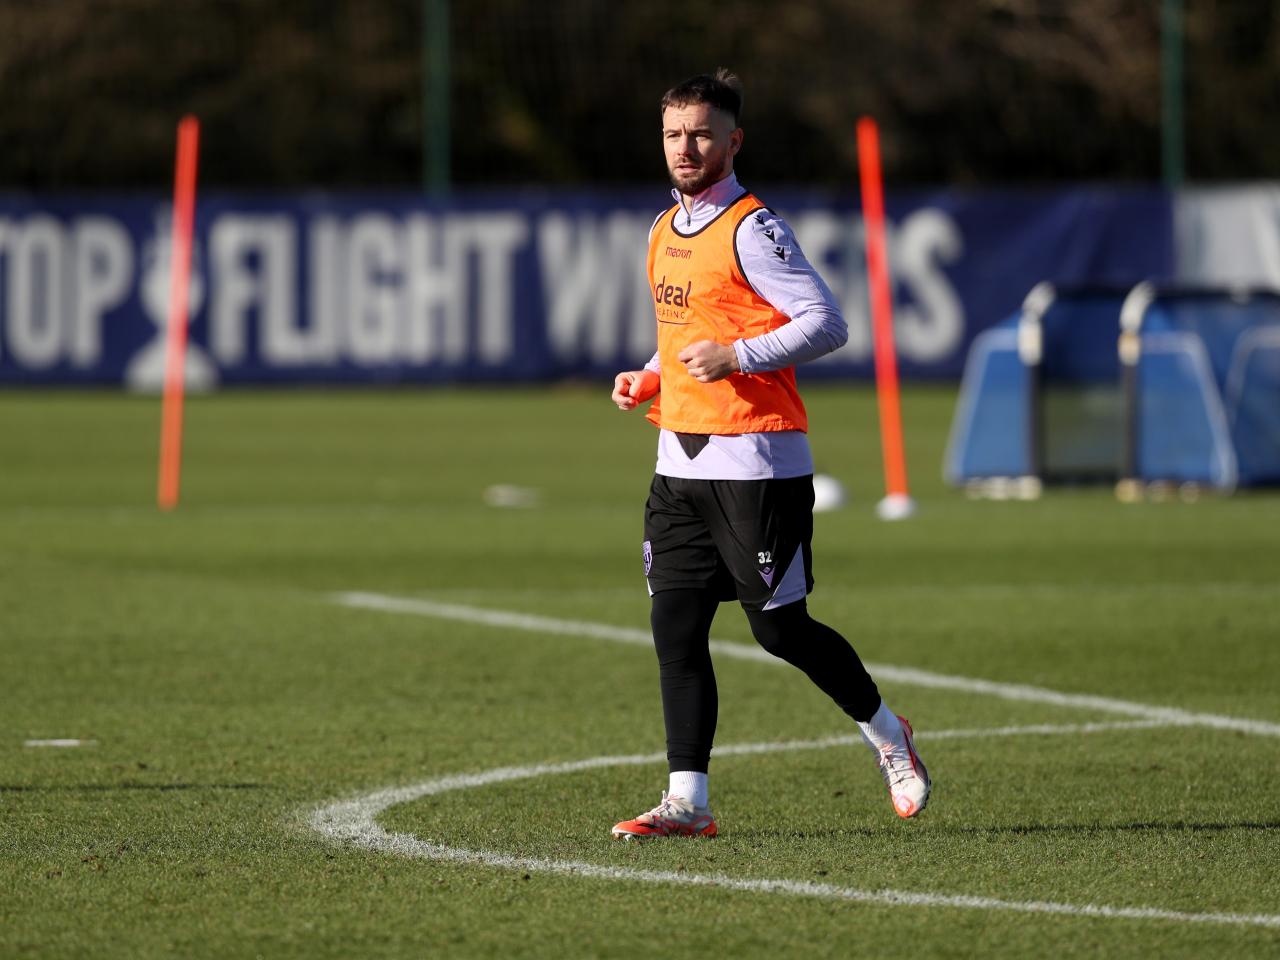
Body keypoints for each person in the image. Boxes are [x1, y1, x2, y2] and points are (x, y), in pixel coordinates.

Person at [609, 69, 930, 839]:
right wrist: (648, 377)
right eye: (674, 134)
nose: (686, 148)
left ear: (732, 141)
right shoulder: (661, 229)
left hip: (757, 462)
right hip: (678, 464)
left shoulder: (753, 228)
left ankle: (889, 734)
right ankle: (688, 802)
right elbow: (684, 338)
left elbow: (826, 322)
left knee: (779, 630)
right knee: (675, 629)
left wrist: (741, 357)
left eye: (702, 134)